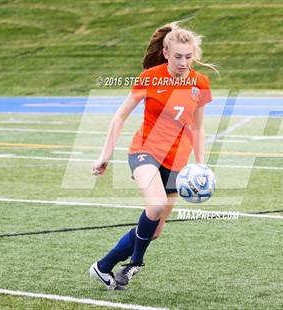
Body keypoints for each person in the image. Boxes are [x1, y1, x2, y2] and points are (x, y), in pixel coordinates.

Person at [89, 21, 216, 290]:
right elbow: (120, 116)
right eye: (178, 57)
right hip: (144, 152)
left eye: (189, 57)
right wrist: (105, 154)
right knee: (156, 205)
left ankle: (102, 267)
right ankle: (135, 263)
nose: (184, 62)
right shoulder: (151, 77)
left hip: (176, 163)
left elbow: (198, 127)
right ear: (167, 54)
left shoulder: (200, 83)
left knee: (155, 230)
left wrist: (201, 164)